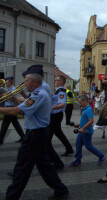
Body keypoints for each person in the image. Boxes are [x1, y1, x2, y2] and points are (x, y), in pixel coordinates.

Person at [2, 68, 69, 199]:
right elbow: (21, 107)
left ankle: (12, 196)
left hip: (35, 134)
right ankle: (60, 189)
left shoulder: (39, 94)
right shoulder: (36, 93)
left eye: (26, 81)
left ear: (35, 82)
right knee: (44, 166)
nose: (24, 83)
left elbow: (15, 111)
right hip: (38, 133)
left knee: (22, 168)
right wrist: (13, 97)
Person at [69, 94, 106, 167]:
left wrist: (82, 128)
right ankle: (77, 161)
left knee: (88, 146)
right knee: (78, 145)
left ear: (85, 101)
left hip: (86, 132)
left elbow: (91, 121)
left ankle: (101, 156)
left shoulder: (88, 109)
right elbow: (85, 121)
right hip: (82, 131)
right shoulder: (84, 109)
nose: (79, 104)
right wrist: (79, 125)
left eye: (80, 102)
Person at [50, 75, 74, 157]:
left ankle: (51, 156)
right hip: (55, 115)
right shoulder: (57, 90)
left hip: (56, 115)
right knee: (58, 133)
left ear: (61, 82)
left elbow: (63, 104)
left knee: (48, 136)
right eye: (55, 79)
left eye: (56, 80)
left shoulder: (61, 91)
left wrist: (53, 107)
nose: (55, 81)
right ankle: (69, 148)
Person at [0, 77, 24, 144]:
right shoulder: (9, 89)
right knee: (15, 124)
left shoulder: (13, 89)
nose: (6, 84)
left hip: (10, 108)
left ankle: (1, 139)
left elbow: (12, 97)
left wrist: (5, 95)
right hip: (9, 107)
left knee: (5, 125)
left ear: (10, 83)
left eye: (7, 83)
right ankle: (23, 136)